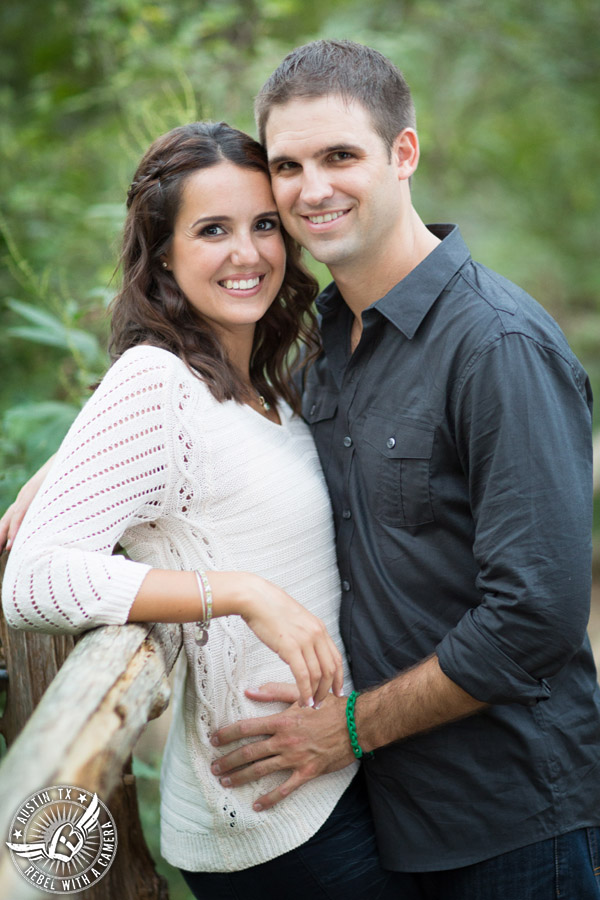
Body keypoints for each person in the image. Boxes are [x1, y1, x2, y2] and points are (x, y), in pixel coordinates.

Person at [200, 41, 600, 898]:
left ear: (403, 155)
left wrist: (345, 730)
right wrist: (70, 469)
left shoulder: (497, 346)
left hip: (515, 823)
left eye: (341, 156)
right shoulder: (320, 349)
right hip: (385, 823)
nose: (313, 189)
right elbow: (212, 424)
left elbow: (536, 617)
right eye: (288, 165)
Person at [1, 121, 397, 899]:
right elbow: (33, 581)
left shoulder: (268, 387)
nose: (247, 253)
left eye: (263, 226)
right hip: (267, 819)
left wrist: (64, 462)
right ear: (165, 254)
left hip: (335, 781)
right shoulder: (155, 381)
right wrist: (242, 592)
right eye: (212, 229)